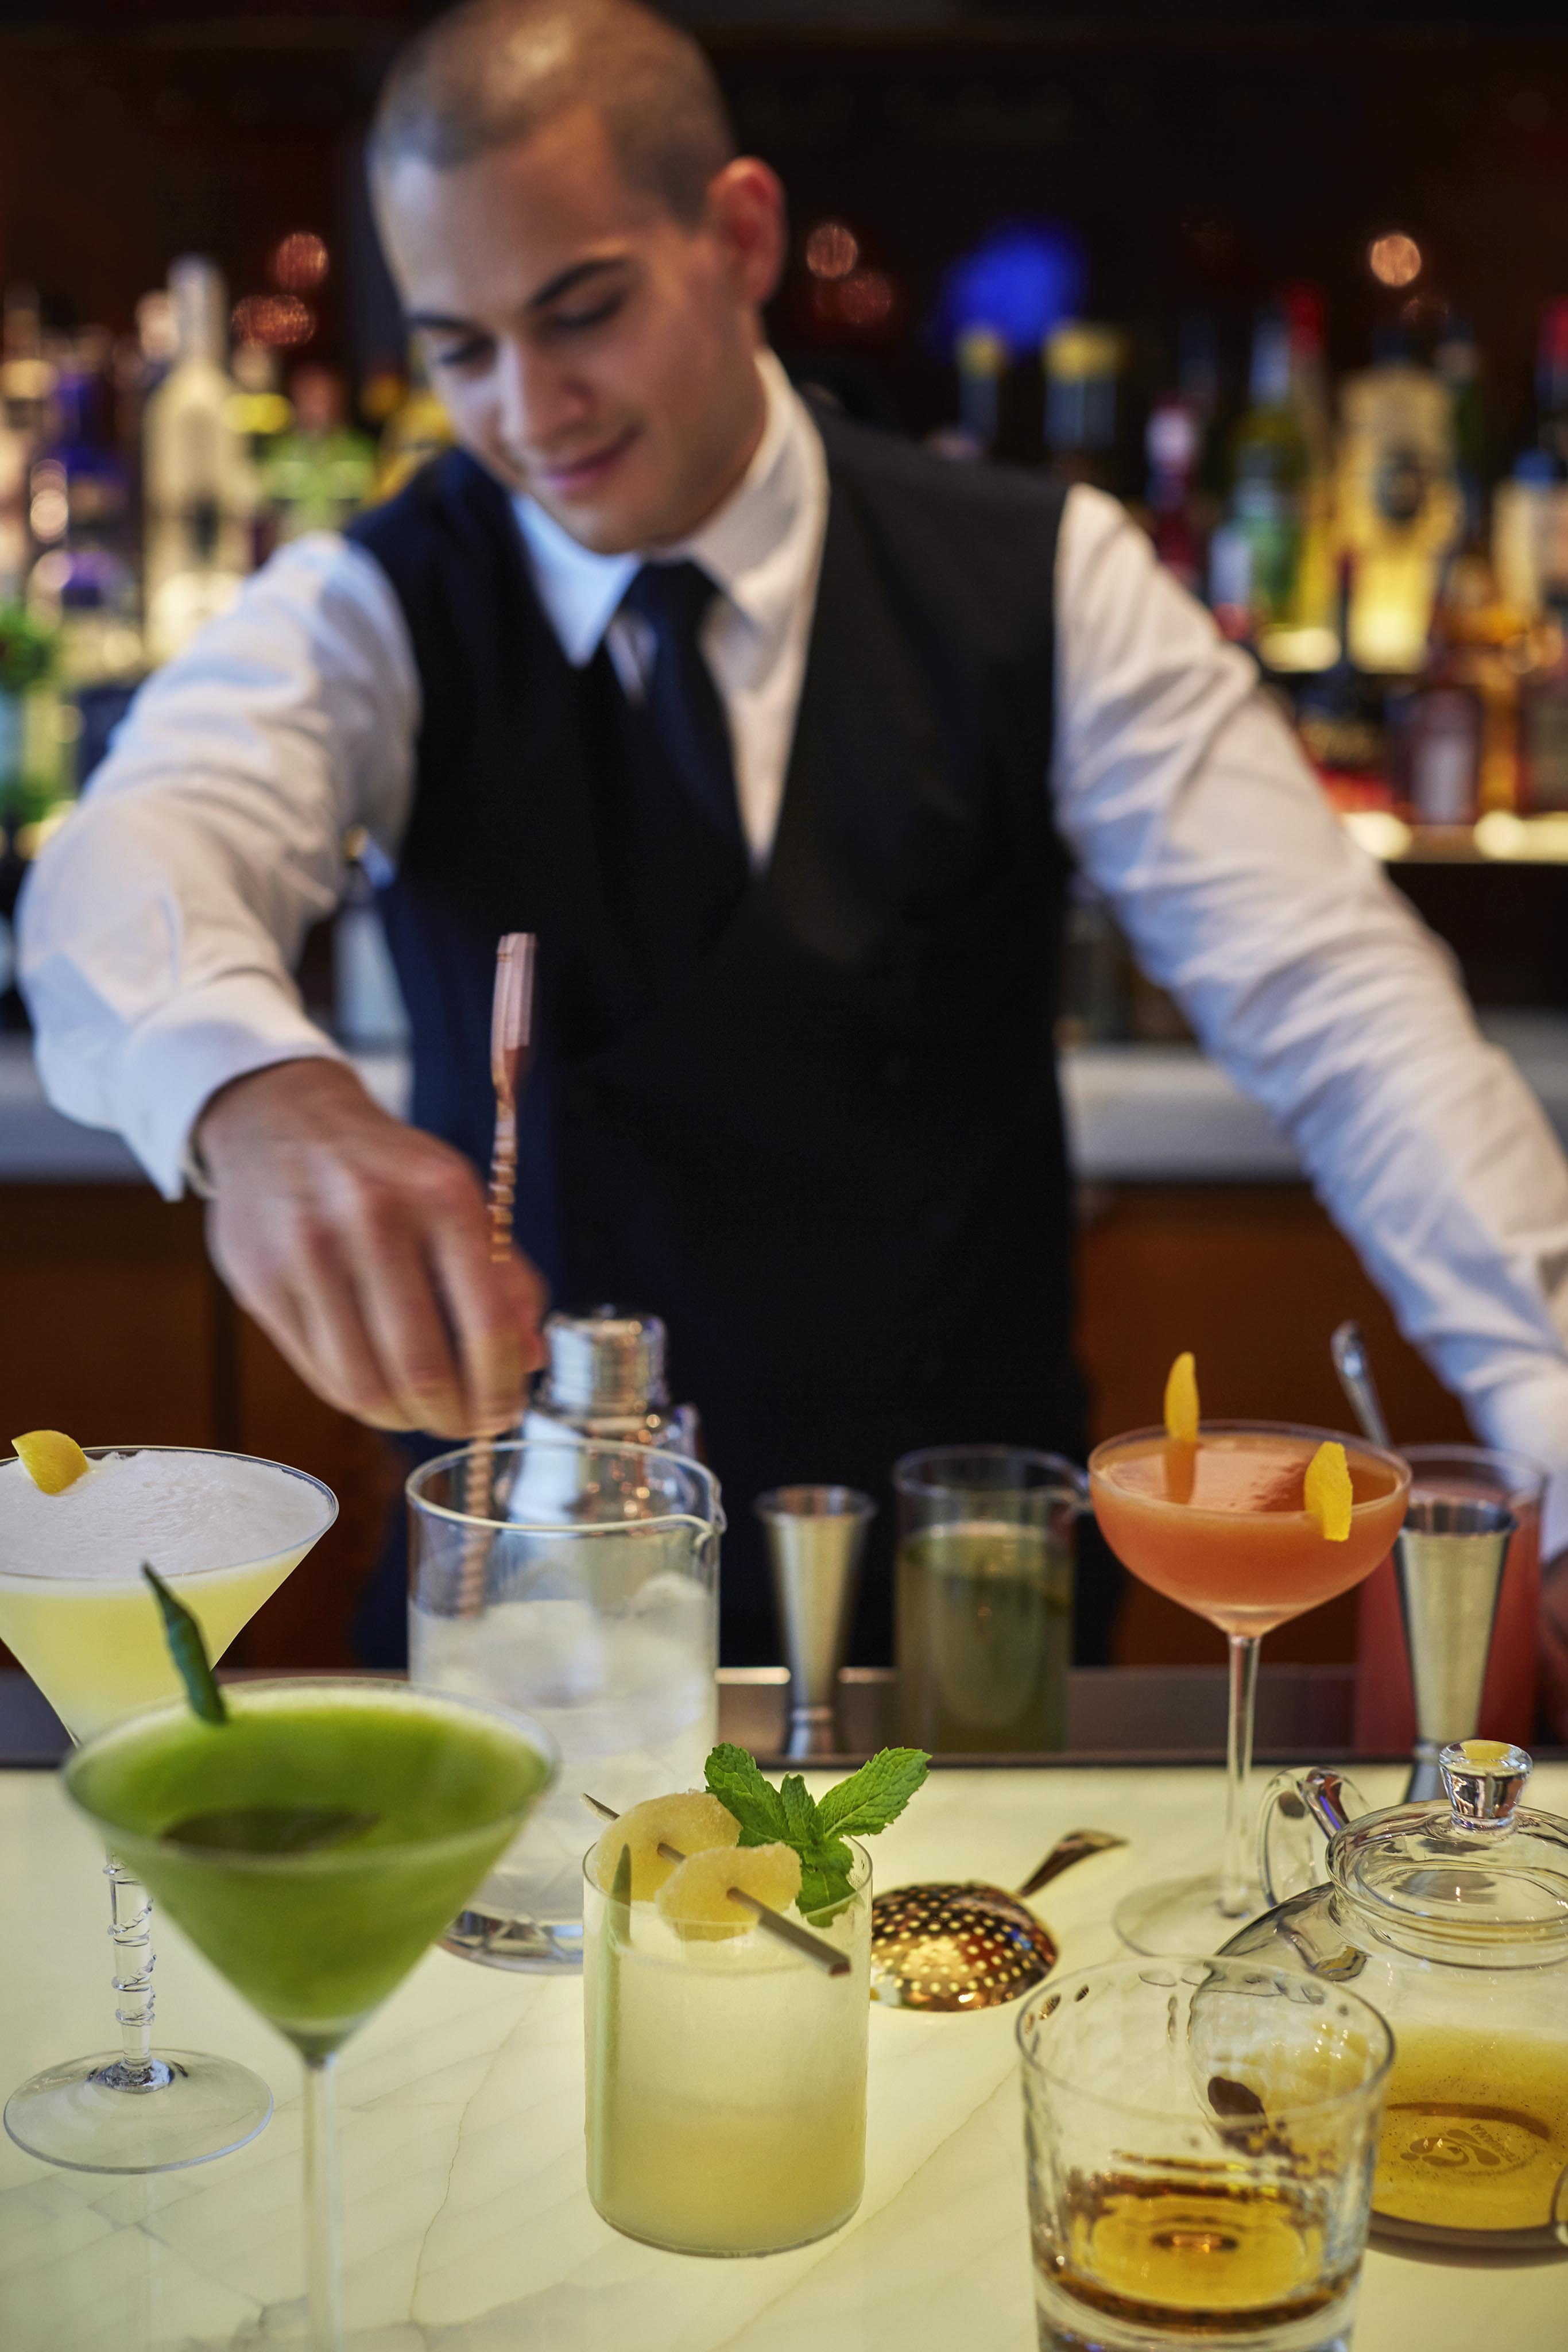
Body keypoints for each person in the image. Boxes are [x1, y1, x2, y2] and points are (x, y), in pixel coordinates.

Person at [20, 0, 1568, 1674]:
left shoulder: (1042, 577)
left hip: (970, 1632)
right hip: (537, 1636)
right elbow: (135, 849)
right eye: (462, 348)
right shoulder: (377, 600)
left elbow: (1346, 1016)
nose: (531, 409)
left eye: (583, 310)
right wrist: (249, 1092)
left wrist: (1555, 1422)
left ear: (739, 235)